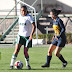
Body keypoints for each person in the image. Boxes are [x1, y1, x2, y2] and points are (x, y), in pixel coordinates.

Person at [10, 5, 36, 70]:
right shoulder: (20, 16)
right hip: (20, 36)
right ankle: (11, 65)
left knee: (25, 52)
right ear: (20, 11)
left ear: (26, 10)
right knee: (16, 50)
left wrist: (31, 35)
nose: (23, 12)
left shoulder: (29, 17)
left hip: (27, 37)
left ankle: (28, 65)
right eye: (22, 10)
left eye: (24, 10)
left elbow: (34, 26)